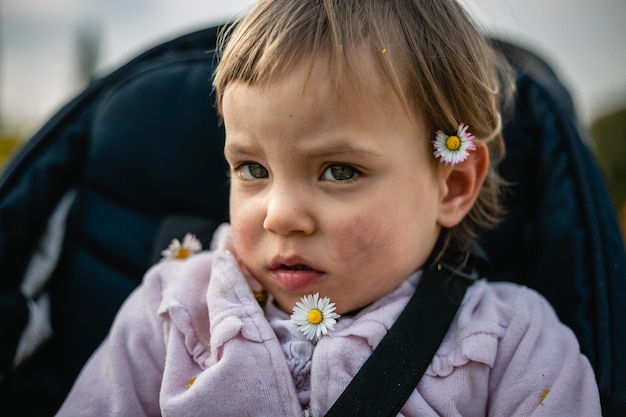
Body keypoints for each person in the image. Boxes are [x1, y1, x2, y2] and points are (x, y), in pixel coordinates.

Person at [55, 0, 602, 415]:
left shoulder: (509, 345)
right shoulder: (173, 316)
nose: (279, 216)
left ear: (453, 185)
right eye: (252, 169)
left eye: (339, 171)